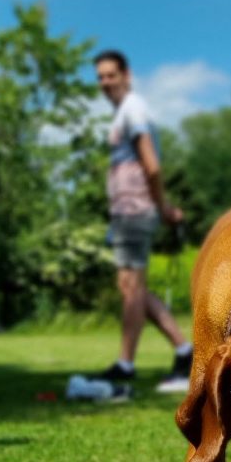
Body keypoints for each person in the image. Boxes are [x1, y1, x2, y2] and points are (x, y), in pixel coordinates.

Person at [94, 49, 193, 395]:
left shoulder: (133, 109)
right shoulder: (125, 111)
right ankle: (185, 351)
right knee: (131, 288)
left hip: (135, 211)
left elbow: (151, 165)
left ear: (127, 75)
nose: (105, 82)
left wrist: (162, 206)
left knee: (132, 288)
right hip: (127, 212)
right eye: (101, 77)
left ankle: (125, 364)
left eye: (111, 75)